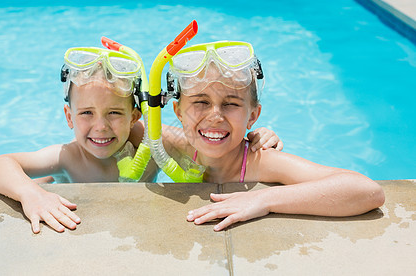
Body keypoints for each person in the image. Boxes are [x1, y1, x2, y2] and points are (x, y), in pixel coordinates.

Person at [0, 46, 283, 234]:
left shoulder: (153, 143)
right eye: (87, 113)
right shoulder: (68, 157)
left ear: (135, 117)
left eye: (114, 112)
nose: (100, 126)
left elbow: (211, 146)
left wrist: (254, 135)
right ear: (69, 117)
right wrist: (30, 194)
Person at [164, 41, 385, 231]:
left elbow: (367, 191)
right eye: (201, 102)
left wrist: (264, 199)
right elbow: (133, 124)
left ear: (253, 116)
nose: (215, 116)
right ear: (179, 112)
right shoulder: (176, 144)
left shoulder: (259, 160)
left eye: (231, 103)